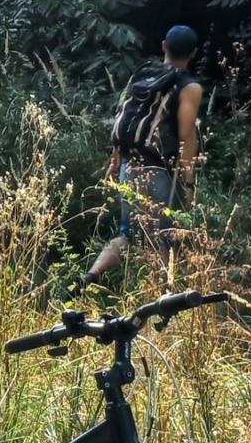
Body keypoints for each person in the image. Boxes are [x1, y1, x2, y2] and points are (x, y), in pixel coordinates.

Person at [77, 24, 204, 285]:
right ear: (193, 53)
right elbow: (186, 134)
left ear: (164, 46)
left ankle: (89, 277)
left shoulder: (142, 74)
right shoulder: (189, 86)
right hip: (159, 172)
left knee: (128, 235)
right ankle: (161, 299)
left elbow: (124, 113)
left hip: (129, 165)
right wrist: (188, 183)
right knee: (168, 238)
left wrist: (116, 161)